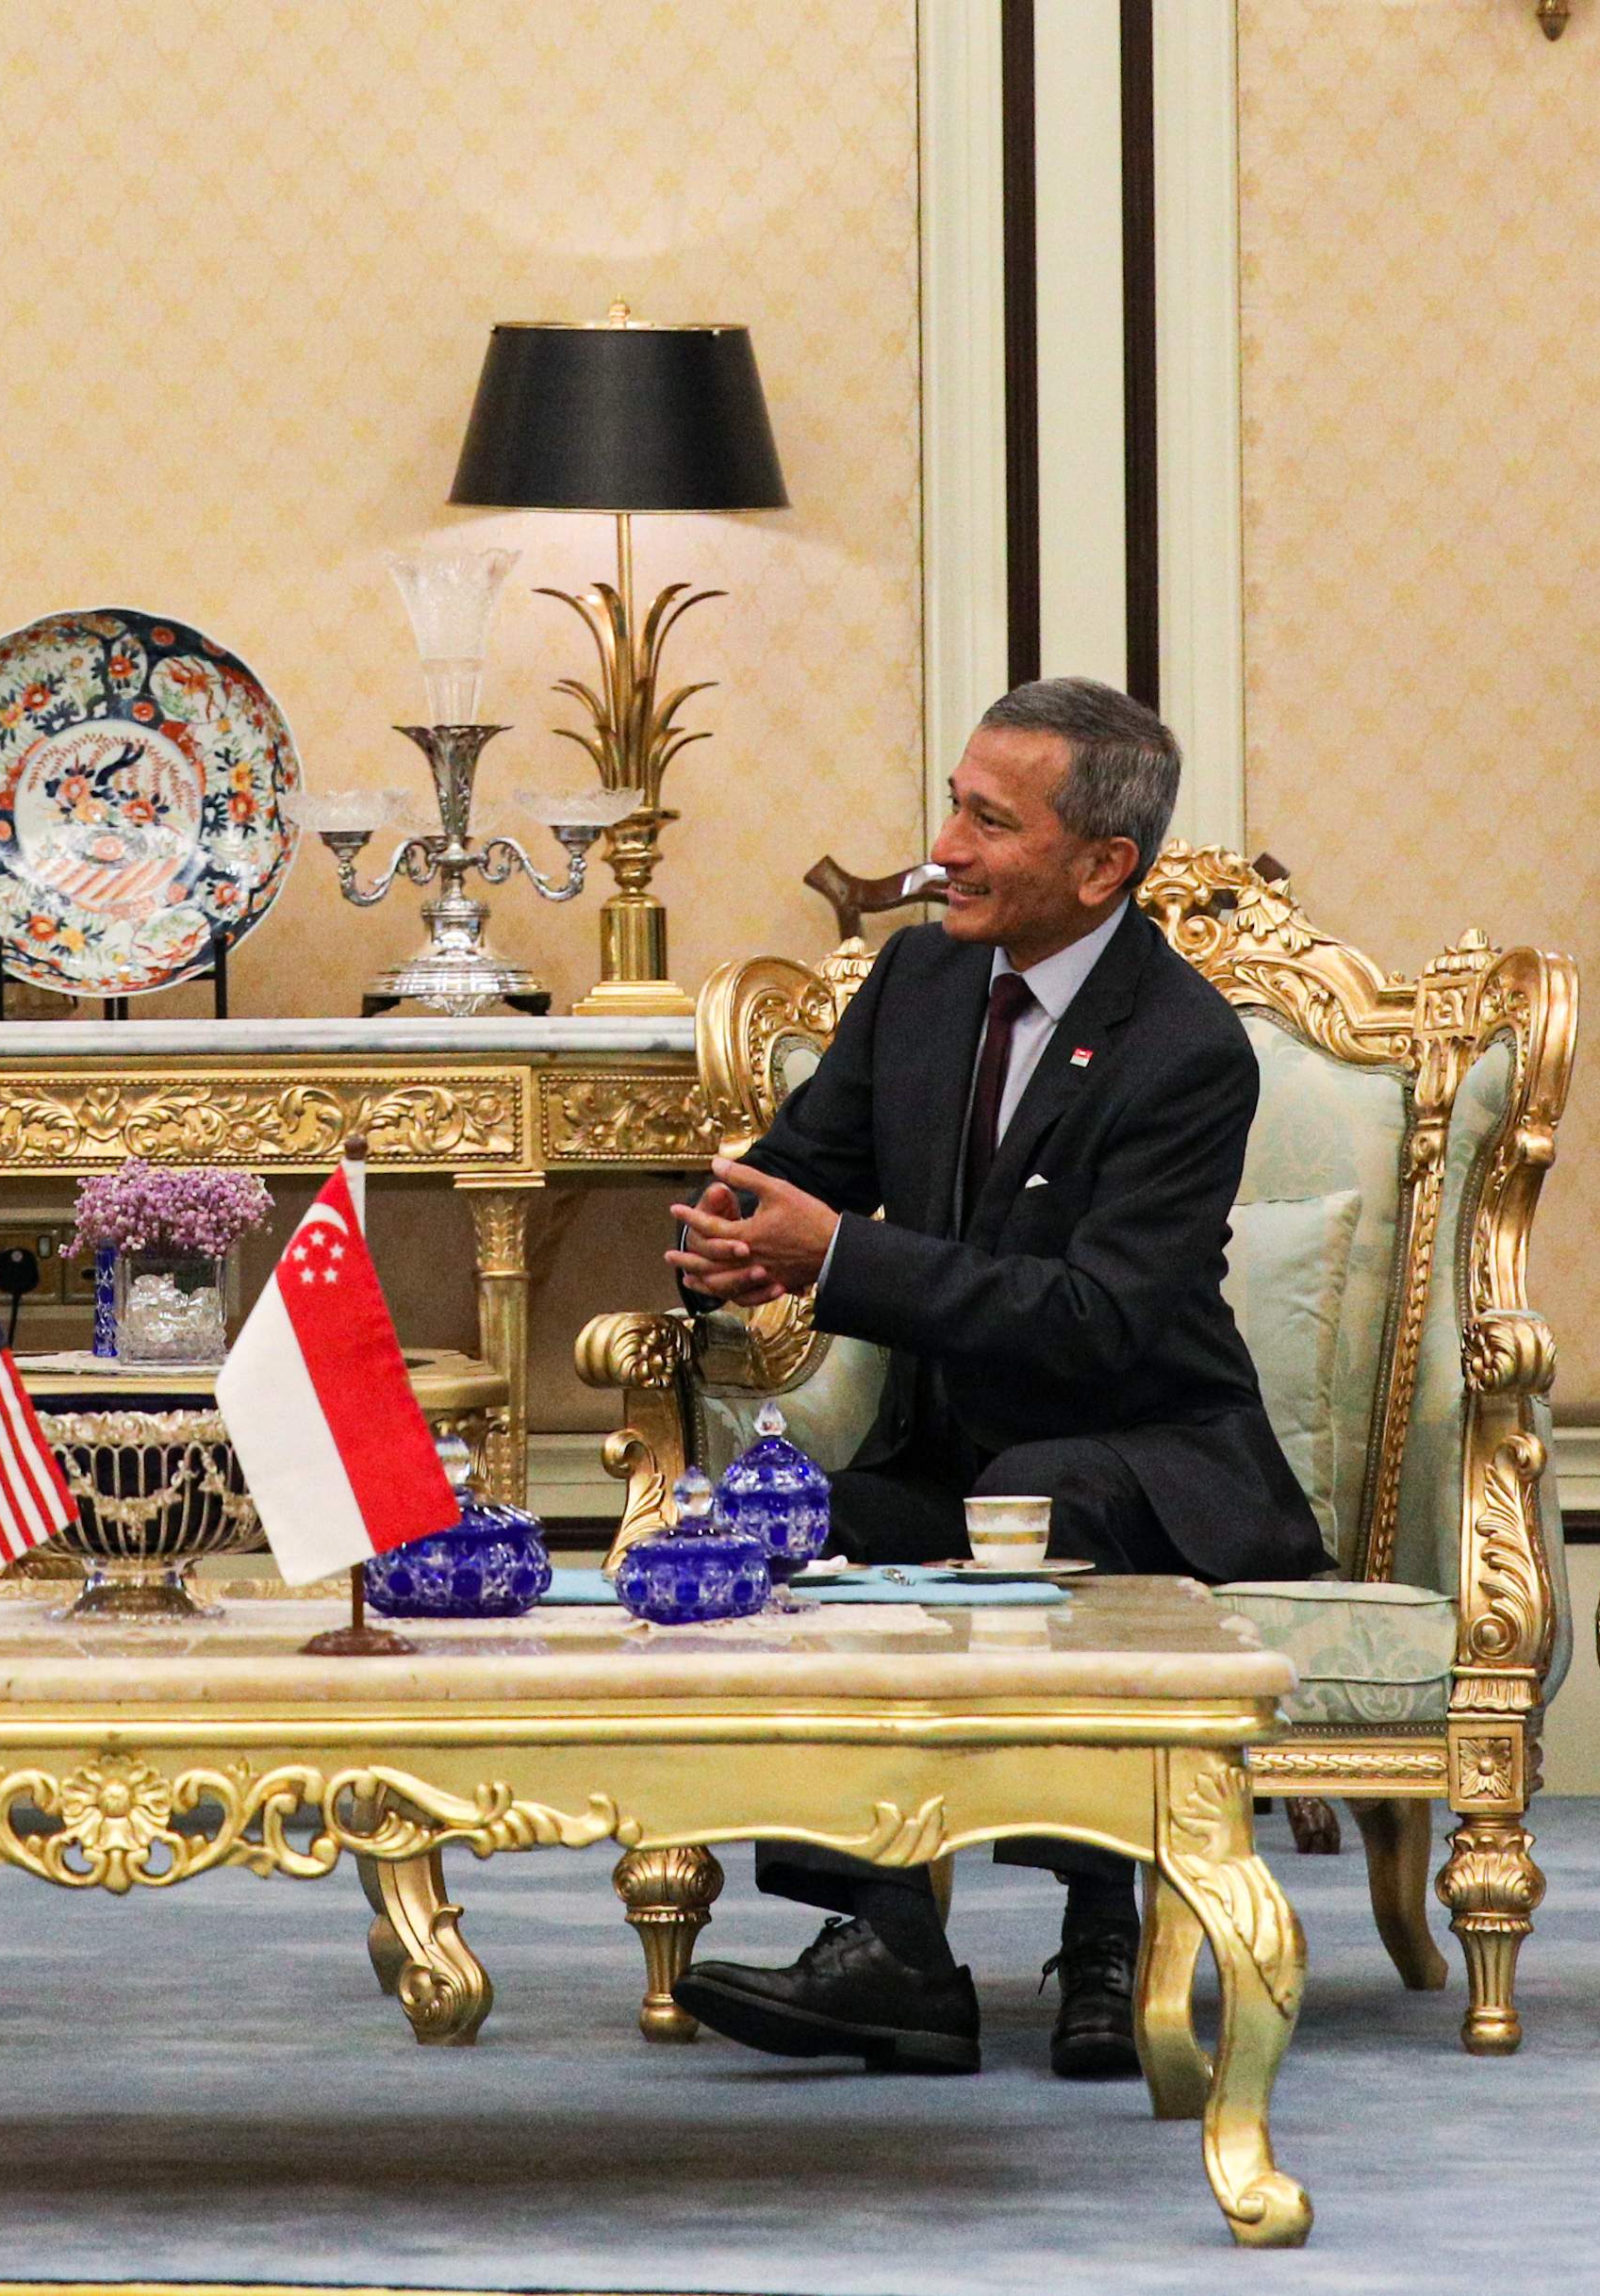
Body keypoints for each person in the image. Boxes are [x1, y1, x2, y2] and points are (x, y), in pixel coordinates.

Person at [659, 677, 1324, 2080]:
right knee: (796, 1525)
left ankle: (1103, 1927)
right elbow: (793, 1173)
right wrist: (724, 1242)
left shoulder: (1185, 1045)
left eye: (988, 820)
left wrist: (835, 1258)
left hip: (1153, 1457)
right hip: (957, 1457)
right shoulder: (919, 980)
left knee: (1035, 1498)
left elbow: (1099, 1321)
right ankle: (887, 1945)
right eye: (954, 803)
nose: (942, 847)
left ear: (1102, 866)